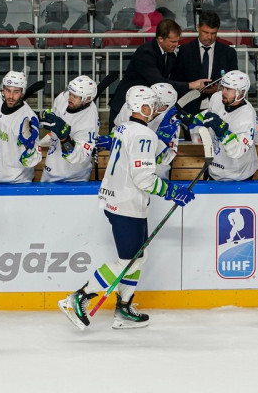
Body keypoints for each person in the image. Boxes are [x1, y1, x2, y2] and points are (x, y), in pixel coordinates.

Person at [59, 86, 195, 330]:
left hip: (119, 200)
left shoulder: (124, 127)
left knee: (138, 258)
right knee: (127, 261)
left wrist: (163, 141)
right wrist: (172, 191)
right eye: (153, 104)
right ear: (143, 107)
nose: (156, 109)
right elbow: (144, 179)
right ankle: (78, 297)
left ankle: (123, 308)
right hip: (126, 204)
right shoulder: (144, 134)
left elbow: (154, 158)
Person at [108, 19, 209, 130]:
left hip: (147, 109)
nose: (177, 45)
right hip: (126, 106)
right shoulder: (145, 53)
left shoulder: (170, 54)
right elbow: (159, 82)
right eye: (173, 41)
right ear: (160, 39)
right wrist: (190, 85)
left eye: (177, 41)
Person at [180, 70, 258, 181]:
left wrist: (223, 131)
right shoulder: (217, 98)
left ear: (241, 93)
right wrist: (193, 120)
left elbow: (238, 151)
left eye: (229, 89)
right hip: (214, 169)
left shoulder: (247, 115)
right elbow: (209, 115)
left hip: (238, 175)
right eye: (223, 87)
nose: (223, 92)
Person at [106, 82, 180, 179]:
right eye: (153, 102)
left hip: (154, 175)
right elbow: (116, 135)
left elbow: (164, 160)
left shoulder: (172, 123)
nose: (154, 107)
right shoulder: (131, 107)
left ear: (167, 107)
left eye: (160, 105)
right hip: (124, 171)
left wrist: (162, 142)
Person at [172, 10, 239, 113]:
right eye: (205, 32)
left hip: (220, 107)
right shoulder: (184, 51)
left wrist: (219, 89)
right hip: (190, 106)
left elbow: (235, 82)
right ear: (198, 27)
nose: (209, 37)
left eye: (213, 33)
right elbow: (177, 81)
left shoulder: (228, 53)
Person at [0, 71, 42, 183]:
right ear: (3, 89)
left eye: (16, 92)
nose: (10, 96)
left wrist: (29, 146)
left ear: (22, 93)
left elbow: (32, 161)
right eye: (8, 90)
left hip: (16, 181)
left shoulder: (28, 119)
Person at [38, 75, 99, 182]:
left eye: (75, 96)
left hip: (74, 178)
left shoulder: (89, 122)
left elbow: (80, 156)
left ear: (87, 99)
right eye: (70, 93)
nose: (69, 98)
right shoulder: (63, 98)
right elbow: (53, 116)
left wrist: (64, 139)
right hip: (50, 170)